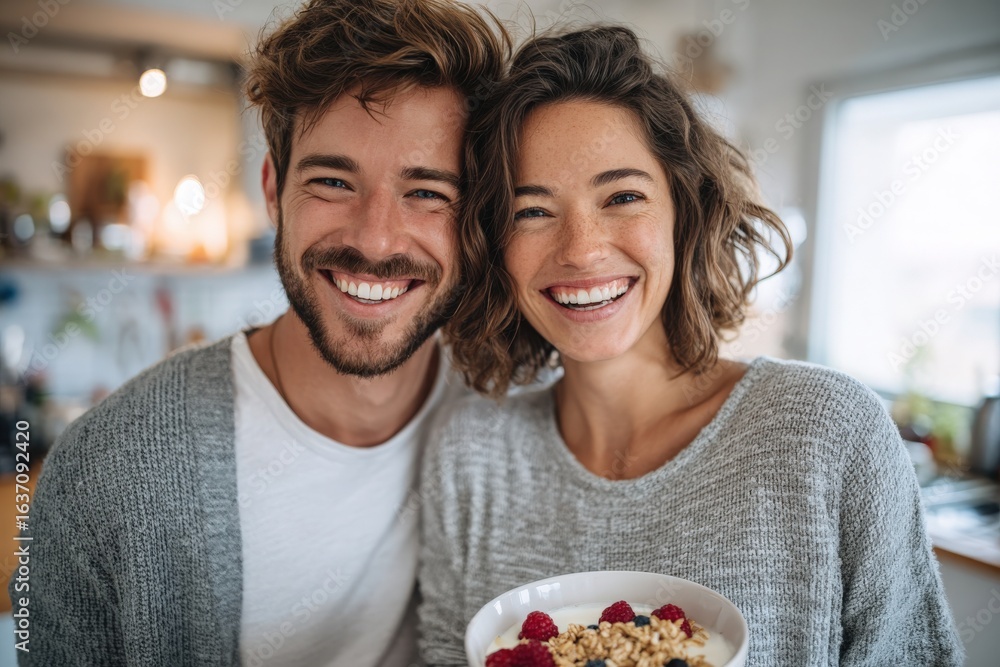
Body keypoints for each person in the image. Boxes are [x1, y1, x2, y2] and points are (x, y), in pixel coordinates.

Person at [418, 26, 963, 665]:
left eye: (623, 197)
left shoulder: (827, 435)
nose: (582, 250)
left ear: (685, 212)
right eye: (530, 211)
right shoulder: (471, 455)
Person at [13, 1, 508, 665]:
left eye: (428, 192)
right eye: (332, 180)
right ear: (273, 191)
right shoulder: (106, 473)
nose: (375, 237)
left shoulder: (518, 430)